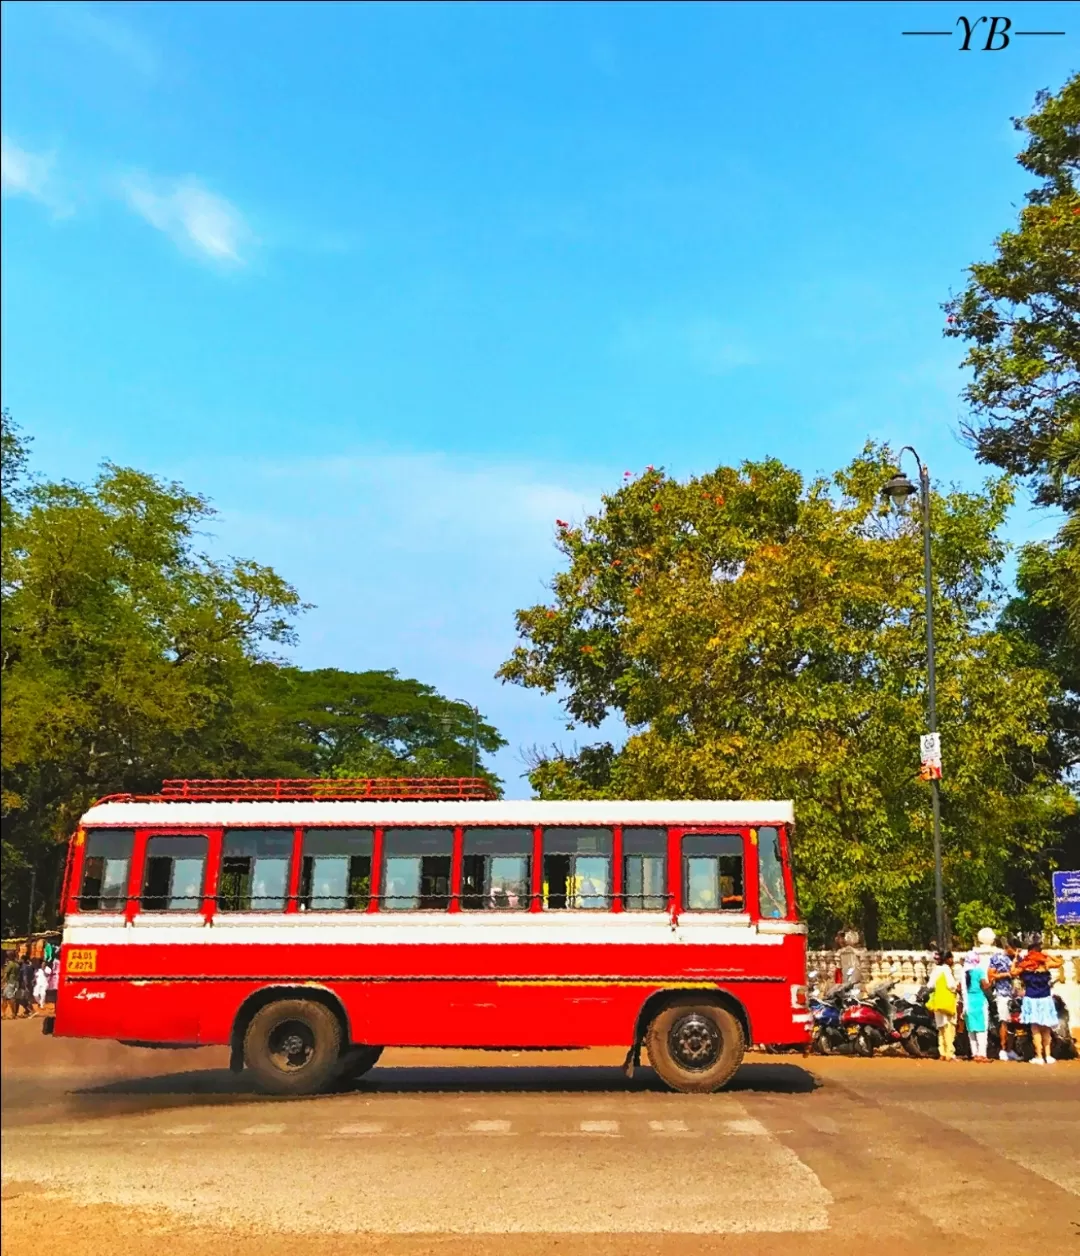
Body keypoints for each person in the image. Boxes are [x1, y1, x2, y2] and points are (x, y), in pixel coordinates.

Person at [1012, 936, 1064, 1065]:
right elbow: (1060, 962)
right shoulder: (1045, 963)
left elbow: (1013, 972)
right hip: (1045, 999)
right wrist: (1049, 954)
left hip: (1031, 999)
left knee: (1035, 1029)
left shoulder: (1025, 965)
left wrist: (1015, 959)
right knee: (1046, 1029)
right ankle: (1049, 1056)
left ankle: (1039, 1056)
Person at [986, 937, 1021, 1060]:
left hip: (1016, 994)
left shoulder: (1018, 959)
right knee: (1004, 1021)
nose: (1017, 951)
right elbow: (990, 975)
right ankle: (1002, 1049)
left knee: (1014, 1023)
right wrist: (1006, 975)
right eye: (1015, 949)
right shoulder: (997, 958)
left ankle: (1010, 1049)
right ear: (1008, 948)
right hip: (1002, 993)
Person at [925, 951, 959, 1060]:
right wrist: (957, 987)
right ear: (947, 959)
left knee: (941, 1027)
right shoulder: (946, 969)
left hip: (937, 1002)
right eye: (951, 958)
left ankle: (943, 1052)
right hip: (947, 1002)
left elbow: (930, 985)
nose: (952, 961)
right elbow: (951, 985)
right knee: (949, 1026)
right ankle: (950, 1053)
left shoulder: (936, 970)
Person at [962, 951, 989, 1060]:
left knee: (971, 1029)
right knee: (982, 1029)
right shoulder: (979, 971)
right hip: (979, 1001)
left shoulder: (963, 973)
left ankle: (974, 1053)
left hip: (968, 1002)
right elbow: (984, 985)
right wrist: (991, 982)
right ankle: (982, 1054)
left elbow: (960, 987)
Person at [1, 951, 18, 1019]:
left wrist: (2, 982)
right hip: (13, 982)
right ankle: (3, 1013)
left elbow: (5, 975)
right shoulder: (16, 964)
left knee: (10, 999)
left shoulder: (10, 964)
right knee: (5, 998)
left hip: (9, 983)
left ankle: (13, 1014)